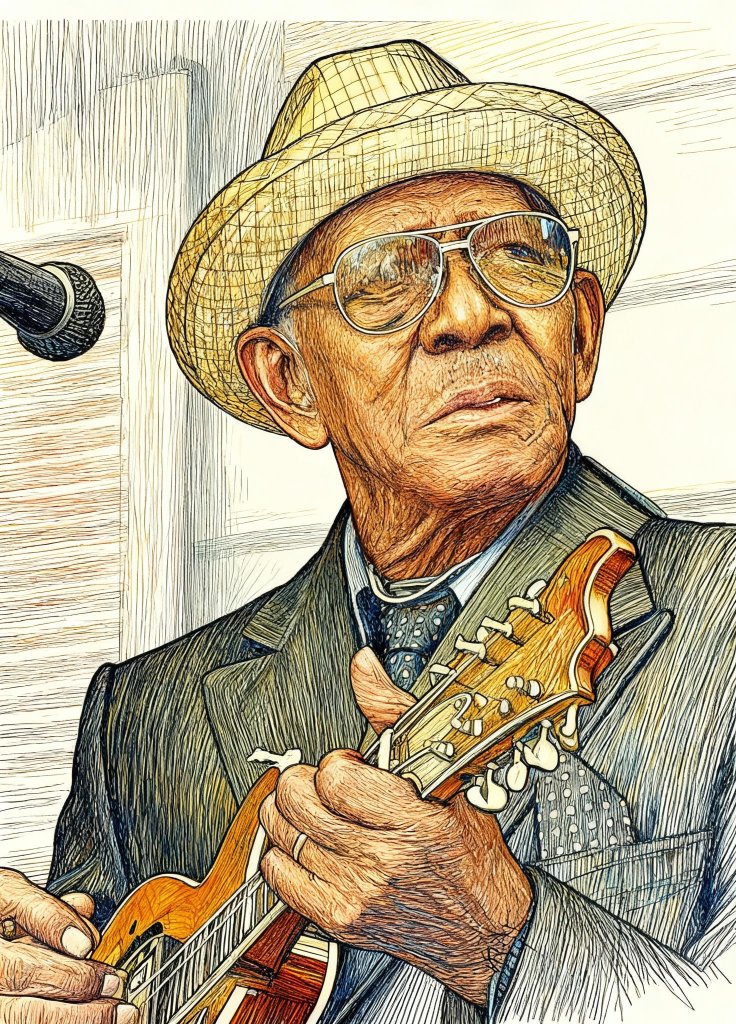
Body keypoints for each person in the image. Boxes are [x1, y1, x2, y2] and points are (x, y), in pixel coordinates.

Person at [0, 39, 734, 1024]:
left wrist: (501, 934)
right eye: (386, 279)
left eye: (517, 255)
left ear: (582, 333)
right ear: (289, 383)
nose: (470, 313)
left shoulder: (718, 619)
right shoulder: (147, 715)